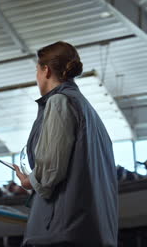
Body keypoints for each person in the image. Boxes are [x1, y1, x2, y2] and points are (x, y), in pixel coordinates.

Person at [13, 41, 118, 247]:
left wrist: (29, 181)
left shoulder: (59, 101)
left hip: (63, 231)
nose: (36, 77)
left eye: (37, 70)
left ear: (46, 70)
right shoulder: (89, 112)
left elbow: (51, 169)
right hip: (93, 230)